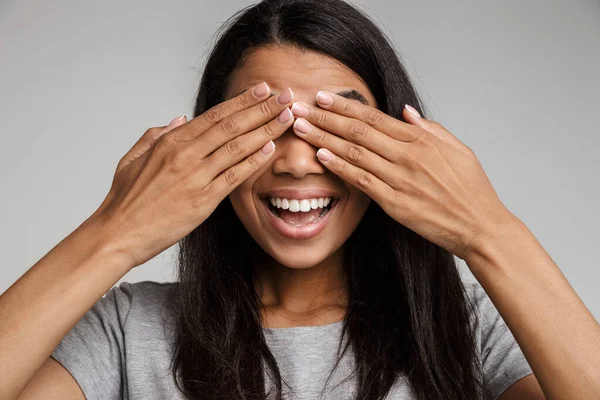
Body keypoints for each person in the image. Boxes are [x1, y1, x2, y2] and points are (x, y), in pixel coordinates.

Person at [2, 0, 599, 399]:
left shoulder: (469, 330)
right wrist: (114, 232)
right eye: (262, 126)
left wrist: (489, 231)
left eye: (336, 128)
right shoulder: (129, 332)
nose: (294, 160)